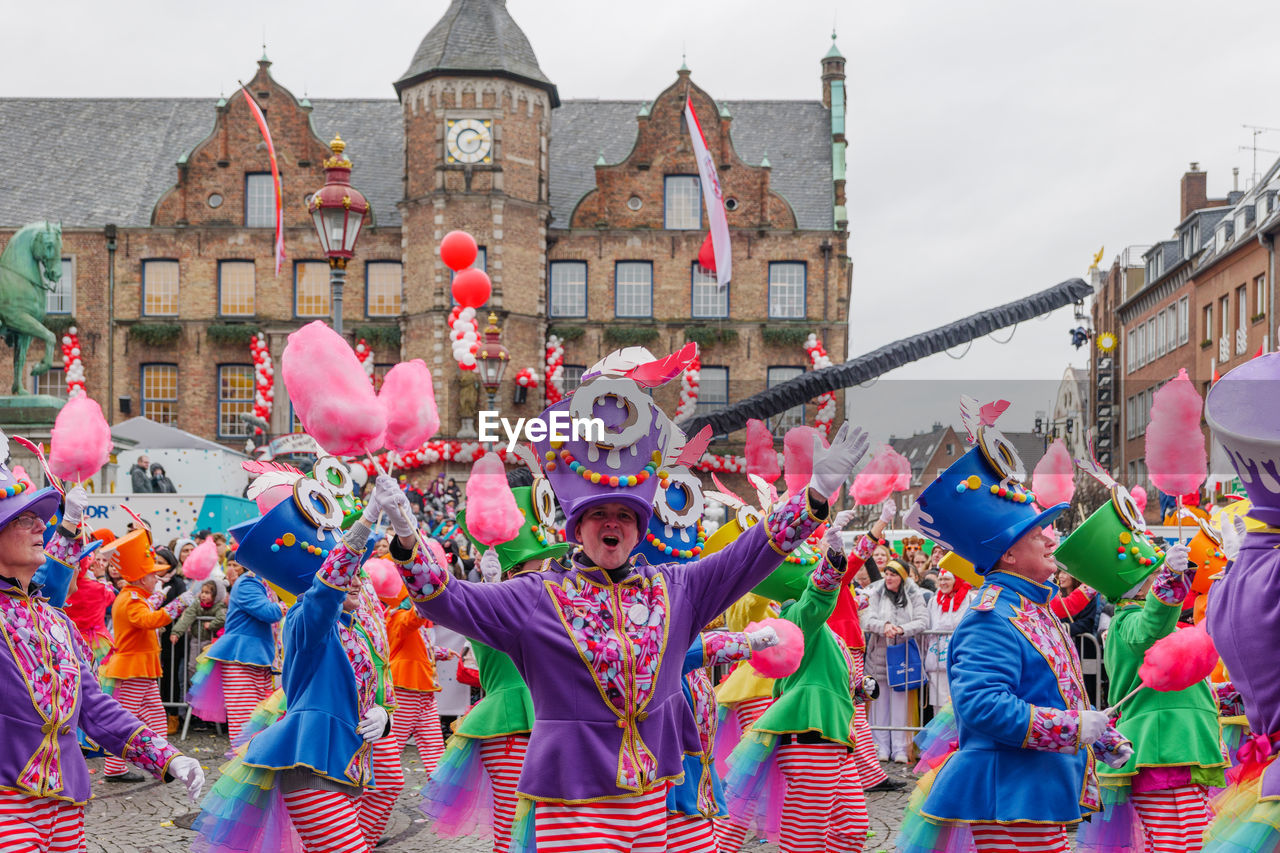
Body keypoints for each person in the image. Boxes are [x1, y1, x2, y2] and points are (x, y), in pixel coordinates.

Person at [388, 348, 867, 853]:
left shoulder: (676, 589)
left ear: (639, 528)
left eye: (624, 513)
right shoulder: (535, 597)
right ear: (578, 525)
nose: (611, 522)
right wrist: (405, 542)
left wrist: (814, 495)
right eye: (598, 514)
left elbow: (748, 556)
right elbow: (447, 600)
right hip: (573, 801)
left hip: (652, 798)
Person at [897, 400, 1131, 853]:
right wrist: (1072, 728)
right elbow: (983, 706)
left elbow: (1058, 692)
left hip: (1033, 789)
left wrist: (1101, 735)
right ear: (1007, 555)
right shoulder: (992, 617)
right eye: (1037, 532)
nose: (1049, 537)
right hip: (1008, 791)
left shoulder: (1032, 609)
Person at [0, 458, 204, 849]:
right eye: (24, 519)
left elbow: (93, 707)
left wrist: (166, 757)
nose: (42, 525)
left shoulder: (57, 622)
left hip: (66, 807)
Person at [192, 460, 393, 852]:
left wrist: (382, 715)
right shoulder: (305, 618)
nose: (354, 578)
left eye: (357, 572)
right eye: (345, 572)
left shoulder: (358, 625)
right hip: (309, 764)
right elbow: (324, 593)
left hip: (346, 764)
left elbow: (373, 680)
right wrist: (364, 523)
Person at [1056, 480, 1225, 853]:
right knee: (1178, 842)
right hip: (1160, 747)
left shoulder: (1145, 617)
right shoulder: (1124, 623)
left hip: (1180, 744)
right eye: (1152, 577)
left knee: (1187, 840)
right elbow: (1149, 628)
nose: (1159, 579)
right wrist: (1168, 581)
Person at [723, 511, 872, 853]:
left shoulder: (825, 631)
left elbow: (831, 679)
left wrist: (861, 688)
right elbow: (817, 599)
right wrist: (834, 560)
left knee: (852, 828)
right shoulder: (795, 616)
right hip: (810, 735)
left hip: (834, 734)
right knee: (805, 833)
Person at [97, 525, 196, 780]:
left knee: (154, 715)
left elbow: (145, 607)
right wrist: (178, 603)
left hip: (142, 668)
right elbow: (147, 620)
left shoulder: (134, 595)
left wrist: (163, 598)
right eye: (154, 576)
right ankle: (114, 769)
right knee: (124, 720)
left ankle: (164, 763)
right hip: (133, 668)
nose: (158, 579)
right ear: (142, 579)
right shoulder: (130, 598)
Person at [861, 556, 927, 762]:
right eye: (887, 574)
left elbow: (923, 620)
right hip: (879, 656)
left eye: (893, 575)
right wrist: (885, 626)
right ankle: (879, 746)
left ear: (902, 577)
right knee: (879, 702)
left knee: (901, 703)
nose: (888, 578)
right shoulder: (876, 592)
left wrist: (901, 629)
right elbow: (867, 618)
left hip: (903, 656)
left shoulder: (914, 593)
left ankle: (900, 747)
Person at [923, 569, 972, 713]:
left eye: (947, 579)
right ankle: (939, 736)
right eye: (941, 579)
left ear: (955, 580)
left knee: (958, 702)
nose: (943, 583)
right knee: (938, 705)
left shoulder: (969, 598)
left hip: (959, 657)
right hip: (936, 658)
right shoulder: (933, 600)